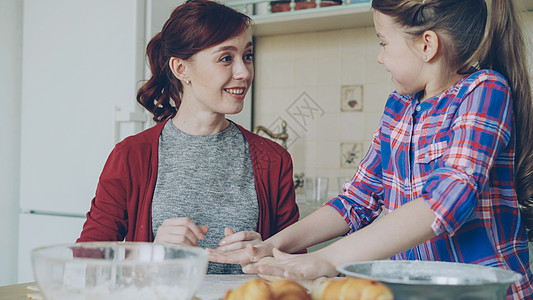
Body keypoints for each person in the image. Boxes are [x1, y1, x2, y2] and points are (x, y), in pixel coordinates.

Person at [208, 0, 533, 297]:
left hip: (488, 292)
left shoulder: (485, 90)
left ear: (427, 45)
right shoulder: (399, 107)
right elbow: (358, 199)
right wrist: (272, 245)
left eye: (383, 42)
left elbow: (446, 199)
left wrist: (327, 259)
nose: (379, 56)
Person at [77, 0, 301, 274]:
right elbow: (85, 266)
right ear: (181, 69)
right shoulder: (131, 155)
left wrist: (267, 254)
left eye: (248, 56)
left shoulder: (273, 159)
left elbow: (298, 266)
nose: (243, 72)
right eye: (226, 58)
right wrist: (149, 255)